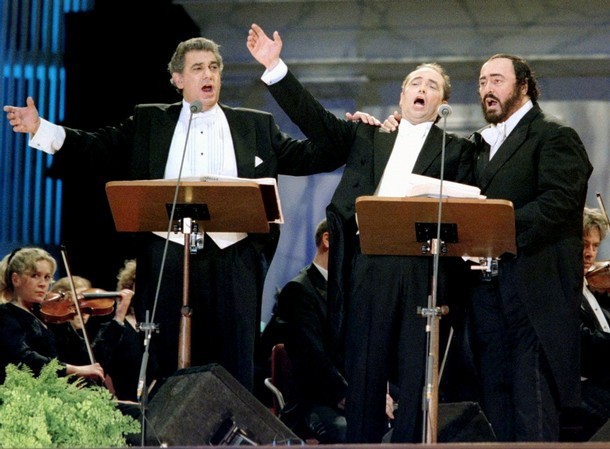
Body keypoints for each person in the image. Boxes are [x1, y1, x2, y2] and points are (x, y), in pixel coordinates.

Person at [3, 37, 347, 392]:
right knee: (167, 361)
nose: (208, 74)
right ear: (177, 79)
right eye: (198, 68)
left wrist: (280, 74)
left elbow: (322, 154)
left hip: (234, 263)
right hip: (167, 259)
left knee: (233, 365)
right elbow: (98, 146)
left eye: (214, 67)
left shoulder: (255, 126)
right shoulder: (151, 122)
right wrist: (41, 128)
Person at [247, 24, 475, 444]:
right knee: (366, 373)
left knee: (415, 376)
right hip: (367, 265)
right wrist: (275, 67)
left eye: (432, 86)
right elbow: (315, 120)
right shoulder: (365, 135)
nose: (422, 89)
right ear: (402, 96)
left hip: (420, 269)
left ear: (442, 104)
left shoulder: (457, 150)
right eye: (415, 83)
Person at [465, 54, 592, 442]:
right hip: (487, 292)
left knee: (532, 402)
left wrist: (495, 229)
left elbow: (559, 202)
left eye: (497, 80)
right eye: (482, 82)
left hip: (535, 293)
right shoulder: (480, 145)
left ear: (523, 86)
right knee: (497, 401)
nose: (487, 89)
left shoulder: (553, 135)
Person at [261, 219, 348, 443]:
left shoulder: (349, 290)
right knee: (349, 429)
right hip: (313, 399)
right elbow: (312, 358)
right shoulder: (298, 290)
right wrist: (349, 396)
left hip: (345, 391)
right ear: (327, 240)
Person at [0, 247, 105, 384]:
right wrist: (73, 369)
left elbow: (84, 355)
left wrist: (64, 315)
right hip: (26, 391)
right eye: (35, 276)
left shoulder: (49, 315)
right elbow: (23, 358)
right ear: (16, 279)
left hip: (56, 389)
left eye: (47, 277)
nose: (43, 284)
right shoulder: (5, 314)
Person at [579, 207, 610, 435]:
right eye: (584, 244)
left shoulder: (592, 287)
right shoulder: (566, 290)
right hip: (584, 386)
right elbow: (583, 341)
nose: (590, 254)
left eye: (595, 246)